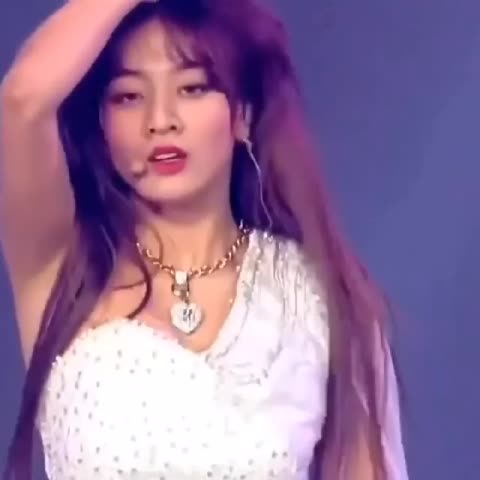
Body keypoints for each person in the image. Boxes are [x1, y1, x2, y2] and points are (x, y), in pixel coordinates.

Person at [0, 0, 408, 478]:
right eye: (128, 96)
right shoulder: (63, 265)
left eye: (193, 87)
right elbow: (22, 99)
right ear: (102, 126)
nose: (160, 119)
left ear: (243, 115)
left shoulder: (320, 300)